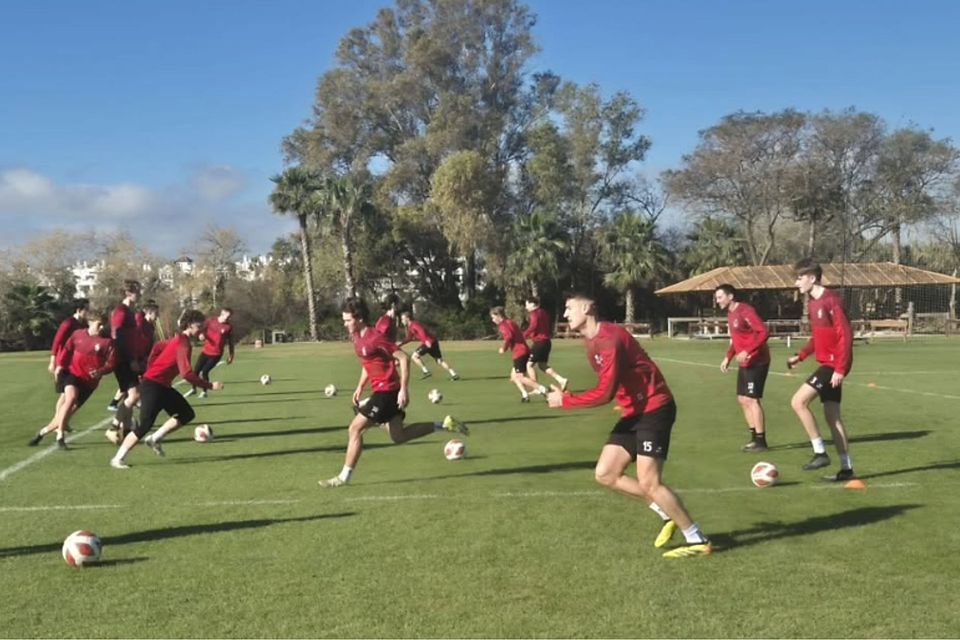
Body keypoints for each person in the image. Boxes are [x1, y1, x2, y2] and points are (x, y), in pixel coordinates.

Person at [546, 293, 712, 559]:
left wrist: (565, 401)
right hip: (634, 411)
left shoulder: (610, 338)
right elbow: (614, 383)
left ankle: (697, 539)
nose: (565, 314)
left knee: (650, 482)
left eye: (568, 308)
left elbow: (604, 393)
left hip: (654, 408)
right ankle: (664, 513)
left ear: (588, 308)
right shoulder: (591, 342)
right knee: (605, 473)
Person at [318, 298, 469, 488]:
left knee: (355, 428)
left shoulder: (375, 337)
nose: (345, 323)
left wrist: (403, 390)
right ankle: (445, 425)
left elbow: (403, 358)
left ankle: (343, 477)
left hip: (387, 392)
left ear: (359, 319)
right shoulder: (357, 338)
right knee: (399, 436)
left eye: (348, 320)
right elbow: (368, 363)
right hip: (381, 391)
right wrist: (360, 387)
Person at [110, 310, 224, 469]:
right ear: (190, 325)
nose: (201, 329)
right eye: (199, 326)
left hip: (161, 385)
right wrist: (210, 385)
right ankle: (117, 459)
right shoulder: (183, 343)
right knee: (144, 425)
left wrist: (151, 367)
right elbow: (187, 374)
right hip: (153, 385)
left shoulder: (179, 339)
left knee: (186, 414)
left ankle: (155, 438)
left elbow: (157, 347)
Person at [787, 258, 856, 481]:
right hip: (827, 364)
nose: (797, 283)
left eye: (799, 278)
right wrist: (801, 355)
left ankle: (820, 452)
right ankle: (847, 469)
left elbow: (845, 335)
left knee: (798, 402)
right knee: (832, 417)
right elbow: (819, 338)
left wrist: (840, 368)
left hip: (833, 366)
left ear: (812, 278)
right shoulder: (813, 303)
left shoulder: (831, 301)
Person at [30, 310, 115, 449]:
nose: (101, 328)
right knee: (70, 398)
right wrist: (60, 365)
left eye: (103, 325)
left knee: (65, 414)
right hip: (72, 374)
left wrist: (101, 371)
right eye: (99, 325)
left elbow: (111, 363)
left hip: (89, 383)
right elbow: (67, 349)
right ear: (90, 323)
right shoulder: (78, 335)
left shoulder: (107, 342)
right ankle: (60, 437)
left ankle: (42, 432)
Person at [714, 284, 771, 452]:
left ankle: (761, 441)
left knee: (752, 399)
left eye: (720, 297)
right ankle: (754, 438)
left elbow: (763, 332)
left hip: (757, 361)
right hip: (744, 362)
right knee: (742, 399)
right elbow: (736, 339)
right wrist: (728, 357)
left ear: (730, 296)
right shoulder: (731, 314)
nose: (717, 301)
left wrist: (748, 351)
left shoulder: (745, 311)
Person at [105, 280, 142, 443]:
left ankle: (126, 431)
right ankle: (113, 427)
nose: (139, 294)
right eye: (137, 291)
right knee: (134, 395)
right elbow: (117, 336)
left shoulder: (129, 311)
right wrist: (130, 359)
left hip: (127, 357)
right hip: (122, 359)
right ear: (128, 293)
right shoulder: (121, 311)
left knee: (130, 395)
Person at [46, 298, 90, 433]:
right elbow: (57, 341)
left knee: (66, 396)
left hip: (73, 363)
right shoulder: (68, 323)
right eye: (86, 310)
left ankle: (61, 422)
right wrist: (53, 361)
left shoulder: (81, 325)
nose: (88, 313)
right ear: (79, 310)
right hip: (63, 362)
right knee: (65, 395)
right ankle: (58, 422)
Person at [185, 307, 235, 398]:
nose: (228, 319)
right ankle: (193, 389)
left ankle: (204, 392)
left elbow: (231, 342)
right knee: (195, 371)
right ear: (222, 314)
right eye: (227, 316)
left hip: (216, 354)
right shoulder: (211, 321)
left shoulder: (228, 327)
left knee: (205, 372)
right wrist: (201, 335)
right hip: (205, 351)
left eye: (230, 317)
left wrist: (231, 355)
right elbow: (200, 329)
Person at [523, 295, 568, 392]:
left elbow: (533, 326)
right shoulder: (543, 312)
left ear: (532, 304)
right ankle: (561, 380)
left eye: (527, 304)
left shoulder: (534, 313)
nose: (526, 307)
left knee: (529, 365)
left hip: (540, 342)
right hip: (547, 342)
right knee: (542, 365)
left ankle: (536, 388)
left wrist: (524, 335)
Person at [398, 310, 459, 380]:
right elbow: (409, 338)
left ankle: (426, 371)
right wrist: (400, 344)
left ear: (407, 318)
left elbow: (421, 331)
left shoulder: (414, 324)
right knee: (439, 360)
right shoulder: (410, 327)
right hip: (433, 341)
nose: (402, 321)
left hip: (429, 342)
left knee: (414, 356)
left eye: (403, 319)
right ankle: (454, 374)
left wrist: (426, 340)